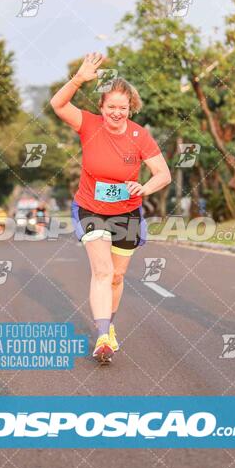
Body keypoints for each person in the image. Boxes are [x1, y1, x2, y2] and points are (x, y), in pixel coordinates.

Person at [50, 53, 171, 364]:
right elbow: (58, 105)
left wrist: (144, 188)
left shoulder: (139, 136)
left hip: (127, 212)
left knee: (117, 276)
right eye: (111, 107)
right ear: (101, 107)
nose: (117, 112)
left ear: (131, 108)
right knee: (102, 270)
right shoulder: (89, 125)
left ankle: (110, 325)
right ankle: (102, 335)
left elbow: (163, 174)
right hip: (90, 208)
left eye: (123, 107)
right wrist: (79, 79)